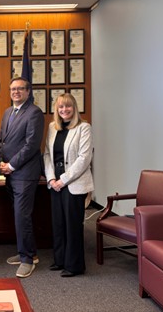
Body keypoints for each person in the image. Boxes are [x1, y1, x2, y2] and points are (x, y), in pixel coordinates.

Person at [0, 77, 44, 278]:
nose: (16, 92)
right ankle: (29, 253)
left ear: (27, 92)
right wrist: (0, 162)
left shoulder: (34, 112)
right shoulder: (8, 112)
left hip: (25, 173)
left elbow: (31, 144)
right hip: (10, 173)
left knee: (22, 215)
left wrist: (12, 165)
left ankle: (27, 260)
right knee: (19, 215)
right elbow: (3, 140)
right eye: (13, 89)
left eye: (20, 89)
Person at [44, 93, 94, 277]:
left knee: (72, 224)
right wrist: (51, 179)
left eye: (68, 106)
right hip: (55, 181)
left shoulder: (84, 128)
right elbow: (47, 155)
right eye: (60, 107)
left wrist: (63, 180)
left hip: (73, 182)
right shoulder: (52, 127)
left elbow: (84, 159)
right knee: (58, 223)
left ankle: (74, 265)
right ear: (56, 110)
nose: (64, 110)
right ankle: (60, 260)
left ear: (74, 108)